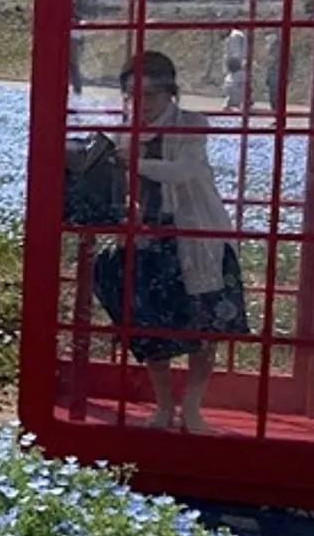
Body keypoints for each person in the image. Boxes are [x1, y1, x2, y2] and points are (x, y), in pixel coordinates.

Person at [92, 51, 249, 434]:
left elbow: (183, 171)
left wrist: (130, 161)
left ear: (170, 94)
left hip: (197, 239)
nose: (140, 105)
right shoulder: (121, 130)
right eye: (132, 95)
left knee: (205, 329)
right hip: (147, 241)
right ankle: (163, 407)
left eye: (151, 96)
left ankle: (192, 410)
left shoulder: (192, 124)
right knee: (149, 328)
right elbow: (108, 185)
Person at [223, 26, 249, 110]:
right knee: (238, 84)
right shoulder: (236, 35)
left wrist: (234, 64)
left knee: (232, 84)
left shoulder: (235, 36)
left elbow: (236, 53)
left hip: (236, 65)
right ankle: (234, 103)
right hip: (239, 64)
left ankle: (234, 104)